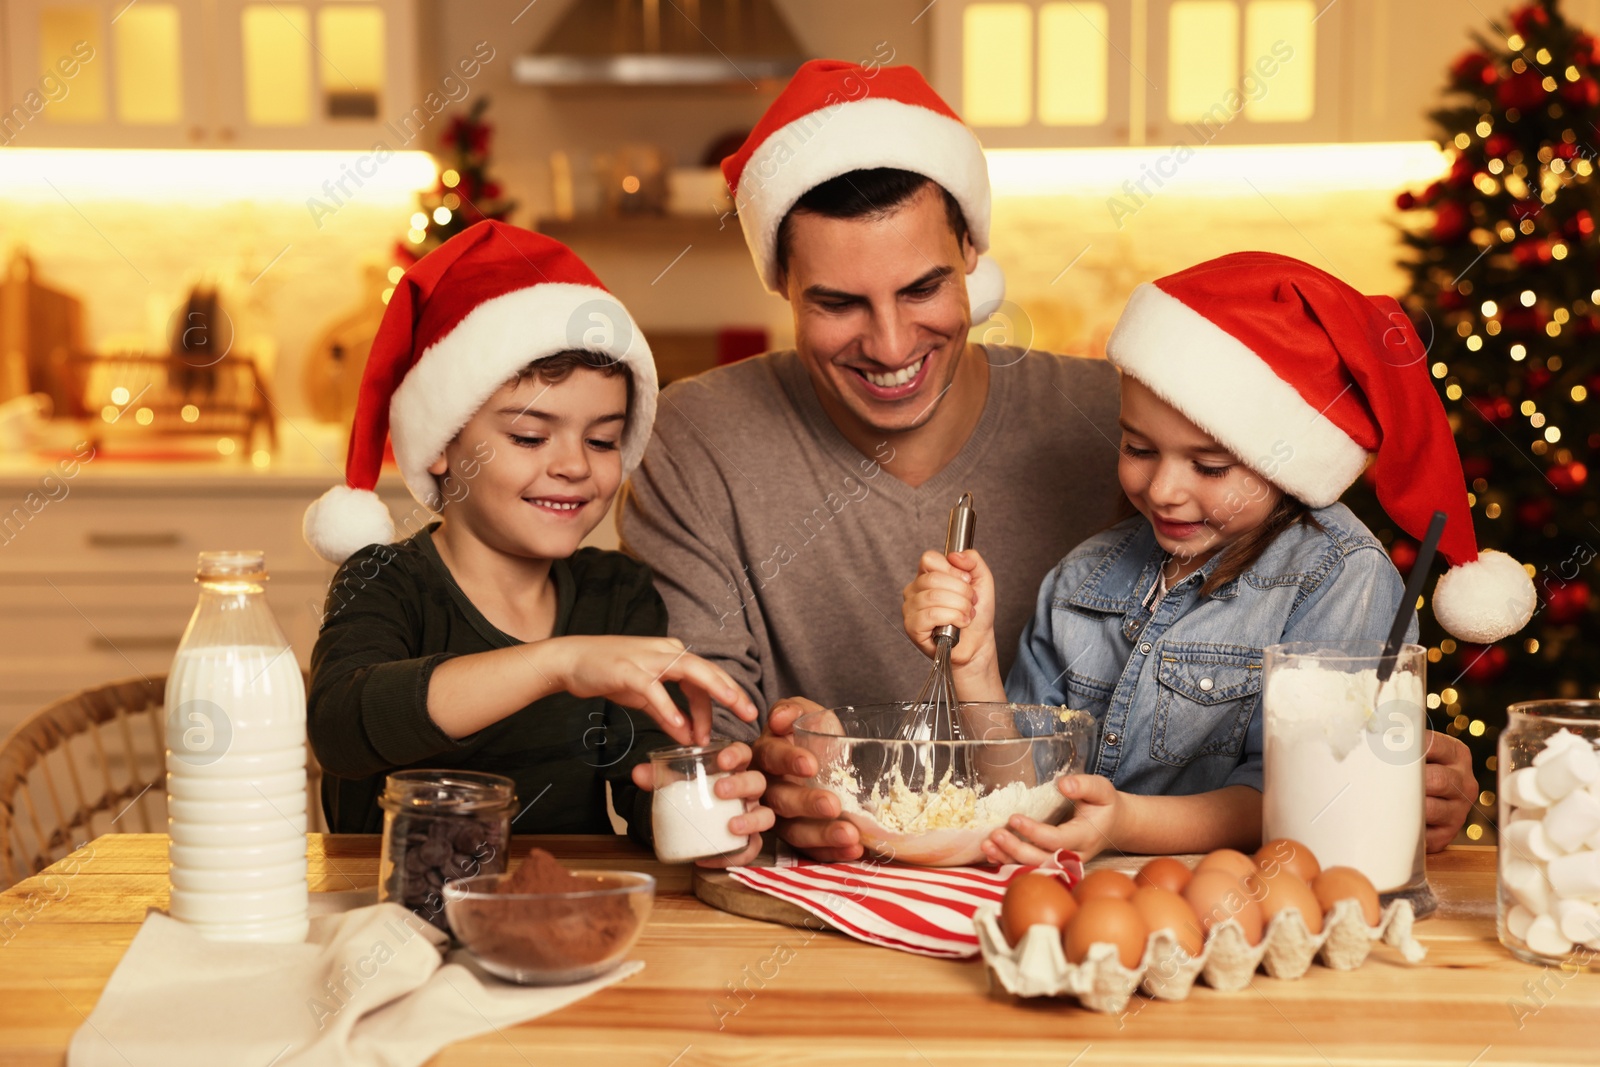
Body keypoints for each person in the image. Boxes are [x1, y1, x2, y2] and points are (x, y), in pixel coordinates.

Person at [619, 60, 1122, 860]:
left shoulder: (1115, 426)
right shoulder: (698, 441)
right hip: (811, 912)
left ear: (970, 251)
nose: (890, 346)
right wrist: (768, 784)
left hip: (1079, 897)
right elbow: (705, 750)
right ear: (782, 281)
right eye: (839, 302)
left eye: (923, 288)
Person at [902, 252, 1536, 861]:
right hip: (1091, 905)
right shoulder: (1082, 578)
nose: (1163, 490)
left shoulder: (1340, 578)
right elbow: (1017, 791)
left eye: (1210, 465)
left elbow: (1309, 796)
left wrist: (1123, 821)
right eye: (1138, 448)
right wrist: (977, 665)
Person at [301, 221, 768, 864]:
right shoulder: (383, 581)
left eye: (602, 439)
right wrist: (558, 664)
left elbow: (640, 789)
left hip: (565, 911)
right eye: (530, 436)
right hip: (394, 925)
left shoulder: (616, 595)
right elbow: (343, 726)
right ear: (440, 447)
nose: (575, 465)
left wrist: (705, 815)